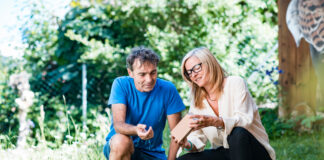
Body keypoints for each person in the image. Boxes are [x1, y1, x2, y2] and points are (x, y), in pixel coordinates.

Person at [174, 47, 276, 160]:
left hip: (254, 153)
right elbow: (197, 137)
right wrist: (188, 144)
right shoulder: (197, 101)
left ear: (210, 63)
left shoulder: (235, 83)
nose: (193, 75)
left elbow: (244, 121)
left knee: (237, 133)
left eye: (196, 68)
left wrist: (216, 121)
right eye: (189, 72)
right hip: (227, 154)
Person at [103, 46, 186, 160]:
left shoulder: (168, 89)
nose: (149, 79)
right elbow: (118, 125)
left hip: (153, 154)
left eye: (153, 73)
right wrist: (136, 130)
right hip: (120, 148)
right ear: (130, 73)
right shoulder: (120, 84)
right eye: (142, 74)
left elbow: (178, 133)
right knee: (121, 141)